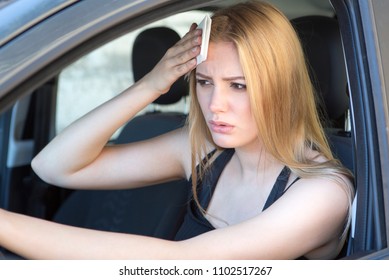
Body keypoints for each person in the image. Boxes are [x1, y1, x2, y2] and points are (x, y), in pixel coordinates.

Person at [0, 0, 354, 259]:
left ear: (282, 87)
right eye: (203, 81)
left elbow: (179, 264)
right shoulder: (203, 150)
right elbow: (53, 167)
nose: (215, 104)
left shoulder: (323, 193)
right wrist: (151, 85)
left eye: (239, 86)